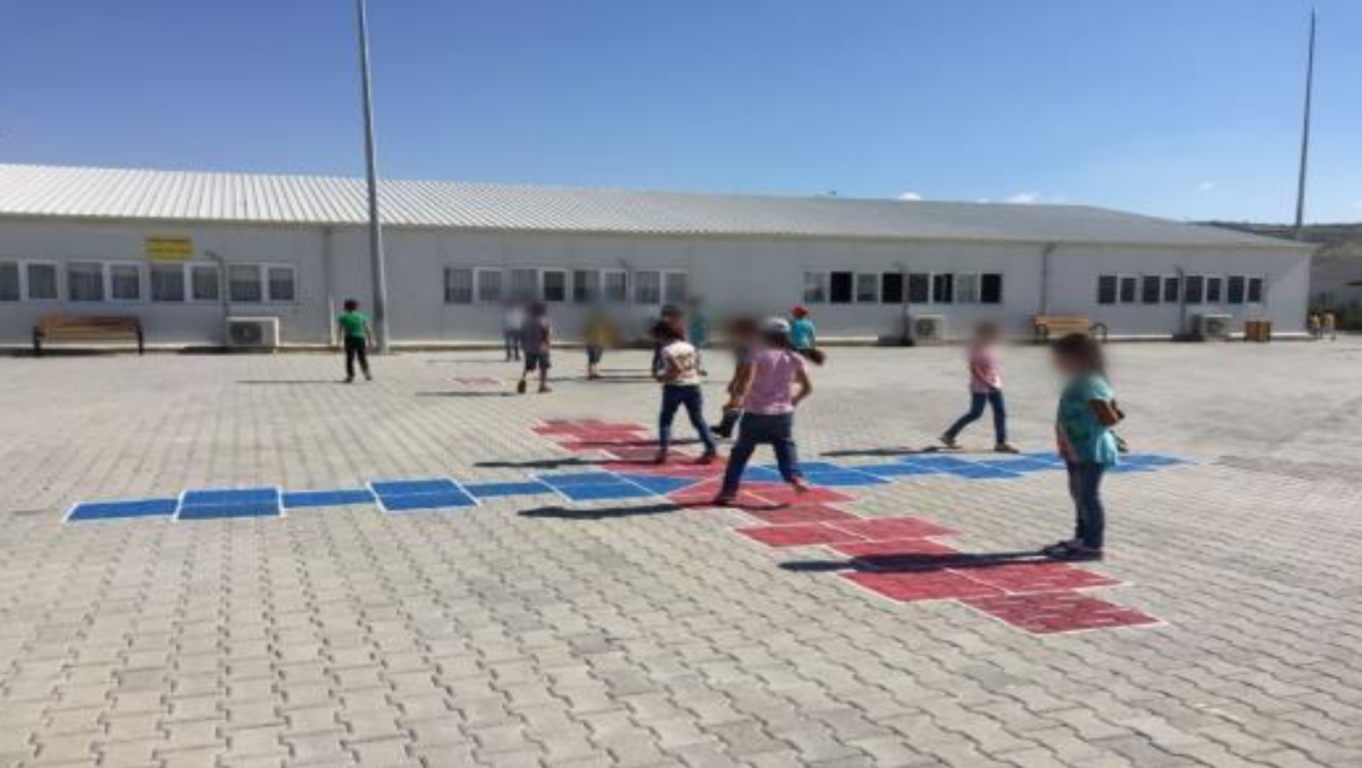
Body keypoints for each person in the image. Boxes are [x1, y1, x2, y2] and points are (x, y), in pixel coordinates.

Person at [713, 319, 822, 505]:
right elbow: (807, 388)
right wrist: (792, 402)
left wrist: (735, 402)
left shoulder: (756, 354)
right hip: (783, 414)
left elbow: (746, 381)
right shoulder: (794, 357)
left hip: (756, 413)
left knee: (740, 453)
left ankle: (728, 493)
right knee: (785, 446)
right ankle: (795, 477)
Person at [1043, 333, 1123, 562]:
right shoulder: (1080, 379)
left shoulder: (1089, 381)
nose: (1057, 364)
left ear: (1078, 358)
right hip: (1075, 450)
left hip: (1091, 449)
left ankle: (1093, 545)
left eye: (1060, 358)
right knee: (1079, 495)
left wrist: (1099, 425)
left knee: (1088, 496)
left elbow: (1109, 415)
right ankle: (1081, 537)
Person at [939, 322, 1018, 453]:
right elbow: (974, 369)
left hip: (995, 385)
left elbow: (991, 366)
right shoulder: (976, 348)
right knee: (975, 413)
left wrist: (995, 381)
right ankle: (949, 435)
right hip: (980, 387)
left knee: (1000, 413)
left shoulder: (990, 346)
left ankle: (1001, 443)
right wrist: (988, 383)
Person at [652, 321, 718, 464]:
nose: (658, 339)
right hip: (693, 385)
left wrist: (661, 377)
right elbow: (696, 363)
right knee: (698, 420)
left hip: (674, 387)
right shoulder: (690, 346)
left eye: (658, 336)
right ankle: (711, 448)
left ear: (664, 334)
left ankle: (663, 451)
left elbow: (677, 370)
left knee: (666, 419)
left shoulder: (667, 349)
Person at [711, 317, 760, 439]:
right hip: (752, 379)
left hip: (745, 379)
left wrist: (735, 381)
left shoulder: (744, 344)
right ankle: (724, 427)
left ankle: (726, 429)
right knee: (733, 405)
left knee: (733, 406)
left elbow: (743, 365)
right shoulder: (756, 342)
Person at [517, 303, 552, 394]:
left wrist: (523, 345)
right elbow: (546, 335)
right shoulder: (543, 321)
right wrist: (547, 345)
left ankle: (522, 382)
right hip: (541, 348)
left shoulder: (525, 321)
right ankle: (542, 386)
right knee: (543, 367)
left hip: (528, 348)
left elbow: (521, 335)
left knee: (528, 367)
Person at [337, 299, 374, 383]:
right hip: (360, 338)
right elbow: (368, 329)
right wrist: (370, 341)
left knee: (350, 358)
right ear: (356, 307)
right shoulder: (362, 316)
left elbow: (340, 330)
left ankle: (350, 376)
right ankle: (367, 373)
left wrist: (339, 342)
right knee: (362, 357)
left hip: (349, 339)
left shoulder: (343, 317)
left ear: (345, 307)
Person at [652, 304, 686, 376]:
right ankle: (656, 369)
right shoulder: (662, 324)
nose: (677, 318)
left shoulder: (676, 324)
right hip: (661, 343)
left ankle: (665, 369)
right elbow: (656, 332)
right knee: (659, 356)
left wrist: (682, 340)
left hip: (669, 343)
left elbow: (678, 334)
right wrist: (659, 338)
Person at [583, 310, 617, 380]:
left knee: (594, 360)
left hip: (596, 344)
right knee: (592, 360)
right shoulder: (593, 325)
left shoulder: (597, 325)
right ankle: (590, 374)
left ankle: (593, 373)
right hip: (593, 344)